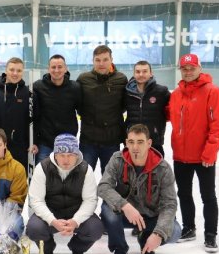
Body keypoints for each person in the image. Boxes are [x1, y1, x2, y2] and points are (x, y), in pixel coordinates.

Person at [98, 124, 181, 254]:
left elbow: (169, 204)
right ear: (126, 142)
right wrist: (124, 205)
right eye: (131, 142)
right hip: (126, 215)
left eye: (140, 142)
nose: (135, 147)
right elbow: (103, 187)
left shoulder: (163, 168)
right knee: (107, 211)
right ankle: (120, 250)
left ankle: (146, 238)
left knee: (174, 231)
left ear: (149, 143)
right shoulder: (117, 159)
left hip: (150, 217)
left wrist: (158, 233)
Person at [168, 53, 219, 253]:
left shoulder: (212, 91)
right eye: (184, 69)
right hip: (181, 156)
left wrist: (210, 153)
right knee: (184, 194)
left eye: (191, 68)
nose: (188, 71)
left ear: (199, 68)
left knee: (208, 196)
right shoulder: (176, 94)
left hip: (204, 156)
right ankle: (188, 228)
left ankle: (210, 235)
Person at [26, 133, 104, 254]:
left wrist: (75, 221)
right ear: (55, 154)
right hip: (51, 212)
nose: (66, 160)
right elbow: (36, 200)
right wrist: (52, 221)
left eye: (70, 155)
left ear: (77, 155)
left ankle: (77, 249)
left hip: (76, 211)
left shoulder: (86, 169)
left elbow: (90, 200)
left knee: (95, 229)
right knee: (34, 228)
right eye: (62, 155)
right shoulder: (43, 168)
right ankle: (47, 249)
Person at [77, 45, 128, 174]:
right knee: (82, 178)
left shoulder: (121, 79)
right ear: (93, 61)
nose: (101, 63)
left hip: (111, 141)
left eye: (105, 59)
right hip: (88, 141)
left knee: (110, 180)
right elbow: (77, 105)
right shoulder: (83, 79)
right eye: (98, 60)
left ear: (111, 60)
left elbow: (125, 105)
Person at [0, 57, 35, 173]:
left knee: (17, 184)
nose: (15, 73)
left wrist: (33, 142)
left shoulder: (28, 93)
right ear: (6, 70)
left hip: (20, 148)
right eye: (12, 70)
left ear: (22, 72)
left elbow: (34, 120)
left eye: (19, 71)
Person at [32, 54, 80, 163]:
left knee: (68, 177)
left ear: (65, 68)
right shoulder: (38, 87)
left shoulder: (75, 88)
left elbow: (82, 110)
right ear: (48, 69)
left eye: (60, 67)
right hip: (45, 143)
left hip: (68, 142)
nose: (56, 70)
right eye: (53, 67)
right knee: (43, 175)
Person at [125, 60, 170, 157]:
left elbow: (173, 110)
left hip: (154, 143)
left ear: (151, 73)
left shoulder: (162, 92)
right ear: (134, 74)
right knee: (132, 172)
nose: (141, 74)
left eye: (145, 71)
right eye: (138, 72)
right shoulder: (127, 93)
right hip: (133, 143)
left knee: (156, 172)